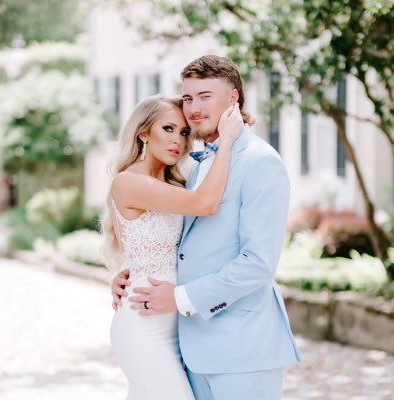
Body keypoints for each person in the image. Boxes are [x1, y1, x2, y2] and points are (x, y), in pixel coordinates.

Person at [112, 55, 301, 399]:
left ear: (233, 100)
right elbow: (181, 243)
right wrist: (132, 272)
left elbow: (258, 264)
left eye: (205, 96)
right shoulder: (197, 169)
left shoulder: (261, 163)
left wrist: (179, 296)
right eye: (188, 98)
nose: (194, 108)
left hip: (243, 348)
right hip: (191, 347)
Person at [102, 94, 243, 400]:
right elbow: (206, 203)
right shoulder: (128, 182)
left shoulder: (177, 185)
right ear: (143, 133)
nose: (178, 140)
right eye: (167, 129)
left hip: (178, 327)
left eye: (183, 132)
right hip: (142, 326)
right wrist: (228, 140)